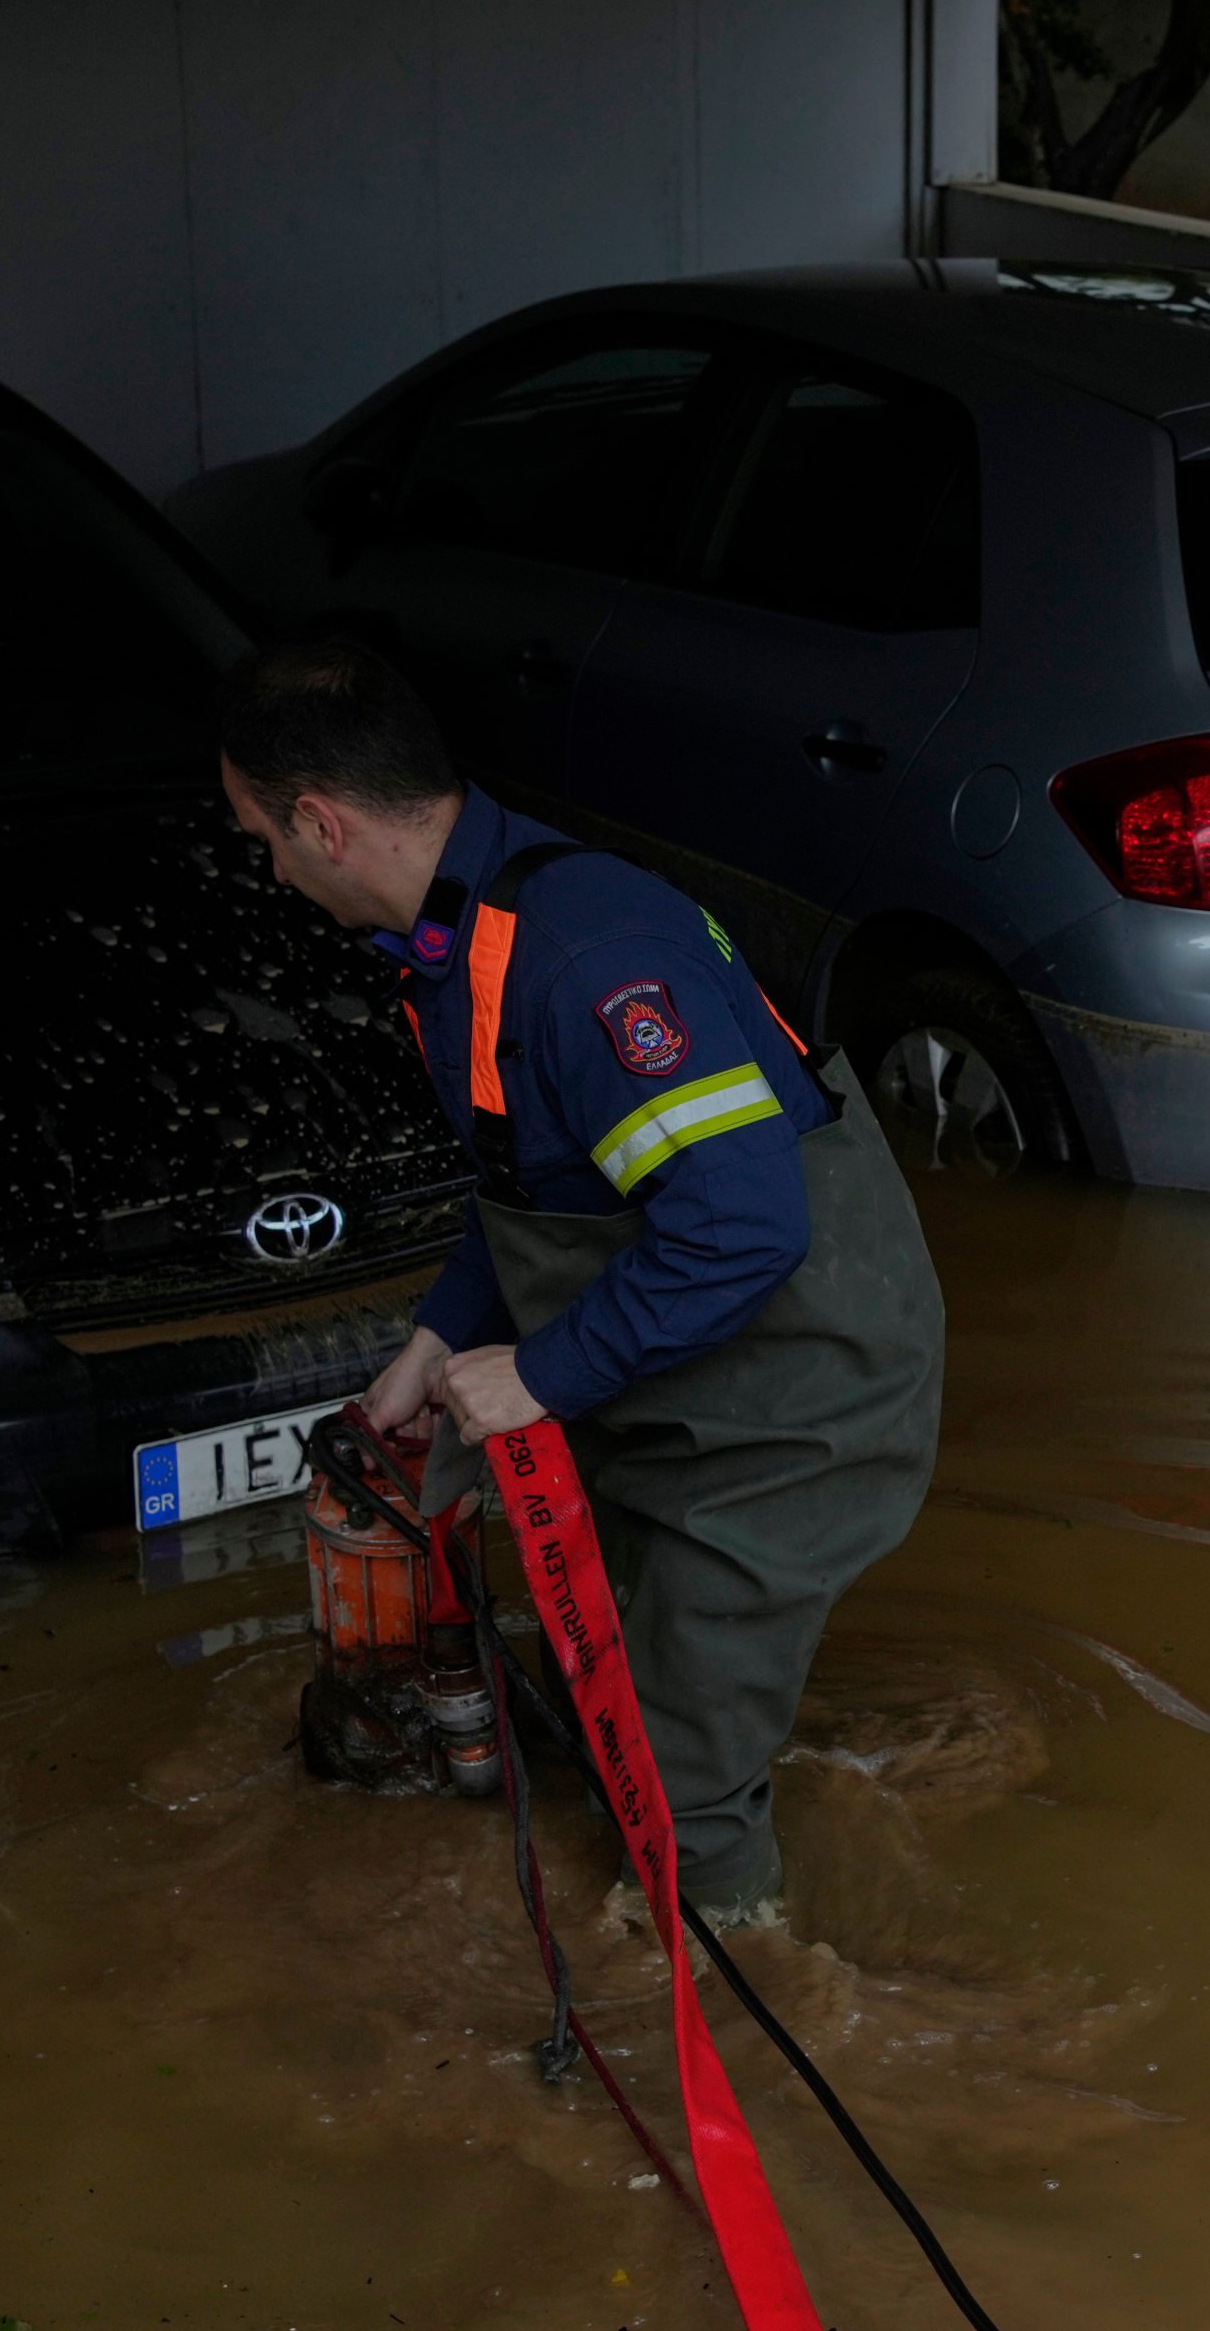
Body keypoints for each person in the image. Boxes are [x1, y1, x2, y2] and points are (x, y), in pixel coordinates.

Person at [216, 640, 942, 1923]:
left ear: (320, 824)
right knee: (591, 1670)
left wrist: (541, 1372)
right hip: (681, 1368)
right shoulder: (460, 939)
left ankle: (730, 1970)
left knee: (674, 1769)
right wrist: (440, 1342)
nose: (267, 869)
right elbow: (542, 1186)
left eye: (262, 838)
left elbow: (739, 1225)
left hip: (796, 1400)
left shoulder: (583, 957)